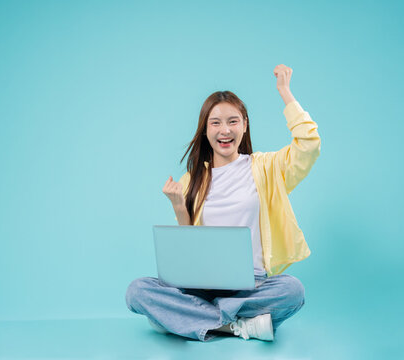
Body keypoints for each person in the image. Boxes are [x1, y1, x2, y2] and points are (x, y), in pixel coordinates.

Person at [125, 64, 321, 342]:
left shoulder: (267, 168)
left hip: (252, 284)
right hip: (201, 285)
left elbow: (309, 145)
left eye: (233, 121)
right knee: (137, 291)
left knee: (293, 290)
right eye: (215, 122)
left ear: (244, 125)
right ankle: (238, 325)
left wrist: (285, 92)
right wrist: (180, 208)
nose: (224, 130)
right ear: (205, 130)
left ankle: (183, 319)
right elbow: (189, 252)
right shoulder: (192, 178)